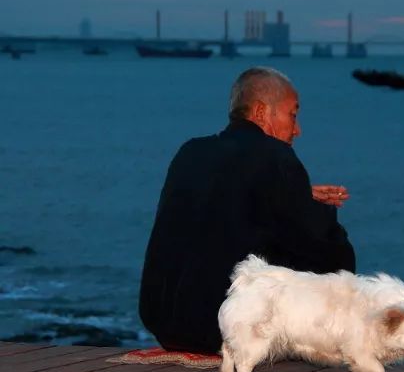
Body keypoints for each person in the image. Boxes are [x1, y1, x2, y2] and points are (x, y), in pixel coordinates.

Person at [139, 67, 355, 354]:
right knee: (327, 265)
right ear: (262, 112)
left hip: (165, 324)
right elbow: (331, 255)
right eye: (292, 115)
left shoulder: (191, 152)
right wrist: (321, 212)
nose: (297, 129)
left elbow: (221, 203)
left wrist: (299, 195)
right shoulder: (275, 157)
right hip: (220, 331)